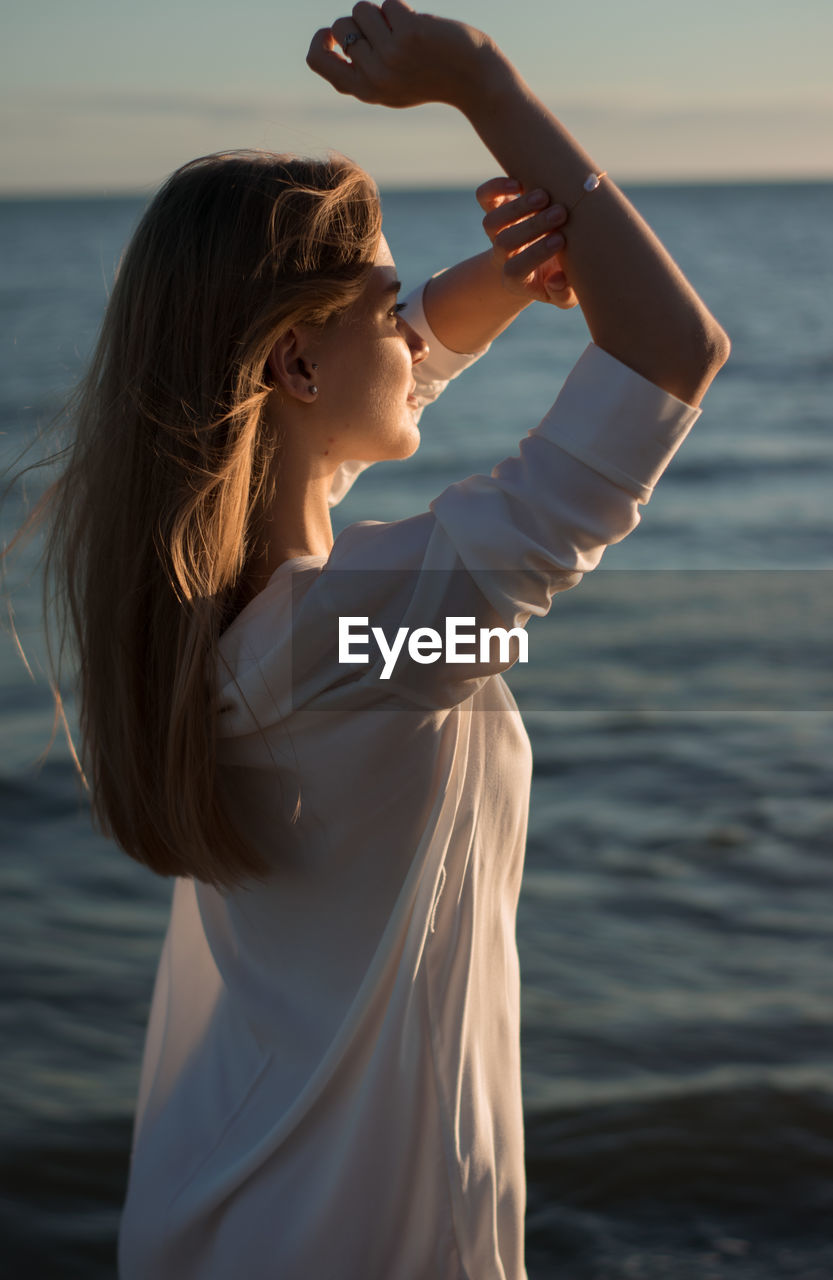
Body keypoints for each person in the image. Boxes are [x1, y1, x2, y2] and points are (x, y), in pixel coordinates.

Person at [25, 3, 728, 1277]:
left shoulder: (239, 611)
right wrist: (482, 84)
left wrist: (511, 274)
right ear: (292, 365)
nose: (415, 334)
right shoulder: (355, 630)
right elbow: (672, 351)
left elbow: (398, 370)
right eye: (388, 304)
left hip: (232, 1219)